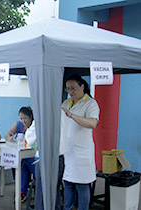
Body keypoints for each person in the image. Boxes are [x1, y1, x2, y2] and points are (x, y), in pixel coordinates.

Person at [61, 74, 100, 210]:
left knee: (82, 185)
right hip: (69, 151)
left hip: (82, 152)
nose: (71, 92)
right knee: (68, 183)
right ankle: (67, 208)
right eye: (68, 89)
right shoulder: (67, 102)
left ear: (82, 86)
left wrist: (72, 115)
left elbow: (92, 123)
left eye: (74, 88)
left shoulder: (90, 103)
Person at [5, 106, 35, 202]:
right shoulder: (18, 125)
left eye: (25, 118)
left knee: (23, 163)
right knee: (16, 162)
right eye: (21, 118)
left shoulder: (34, 126)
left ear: (30, 117)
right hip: (21, 153)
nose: (23, 121)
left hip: (32, 154)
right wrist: (10, 137)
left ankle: (22, 190)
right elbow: (7, 134)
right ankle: (21, 188)